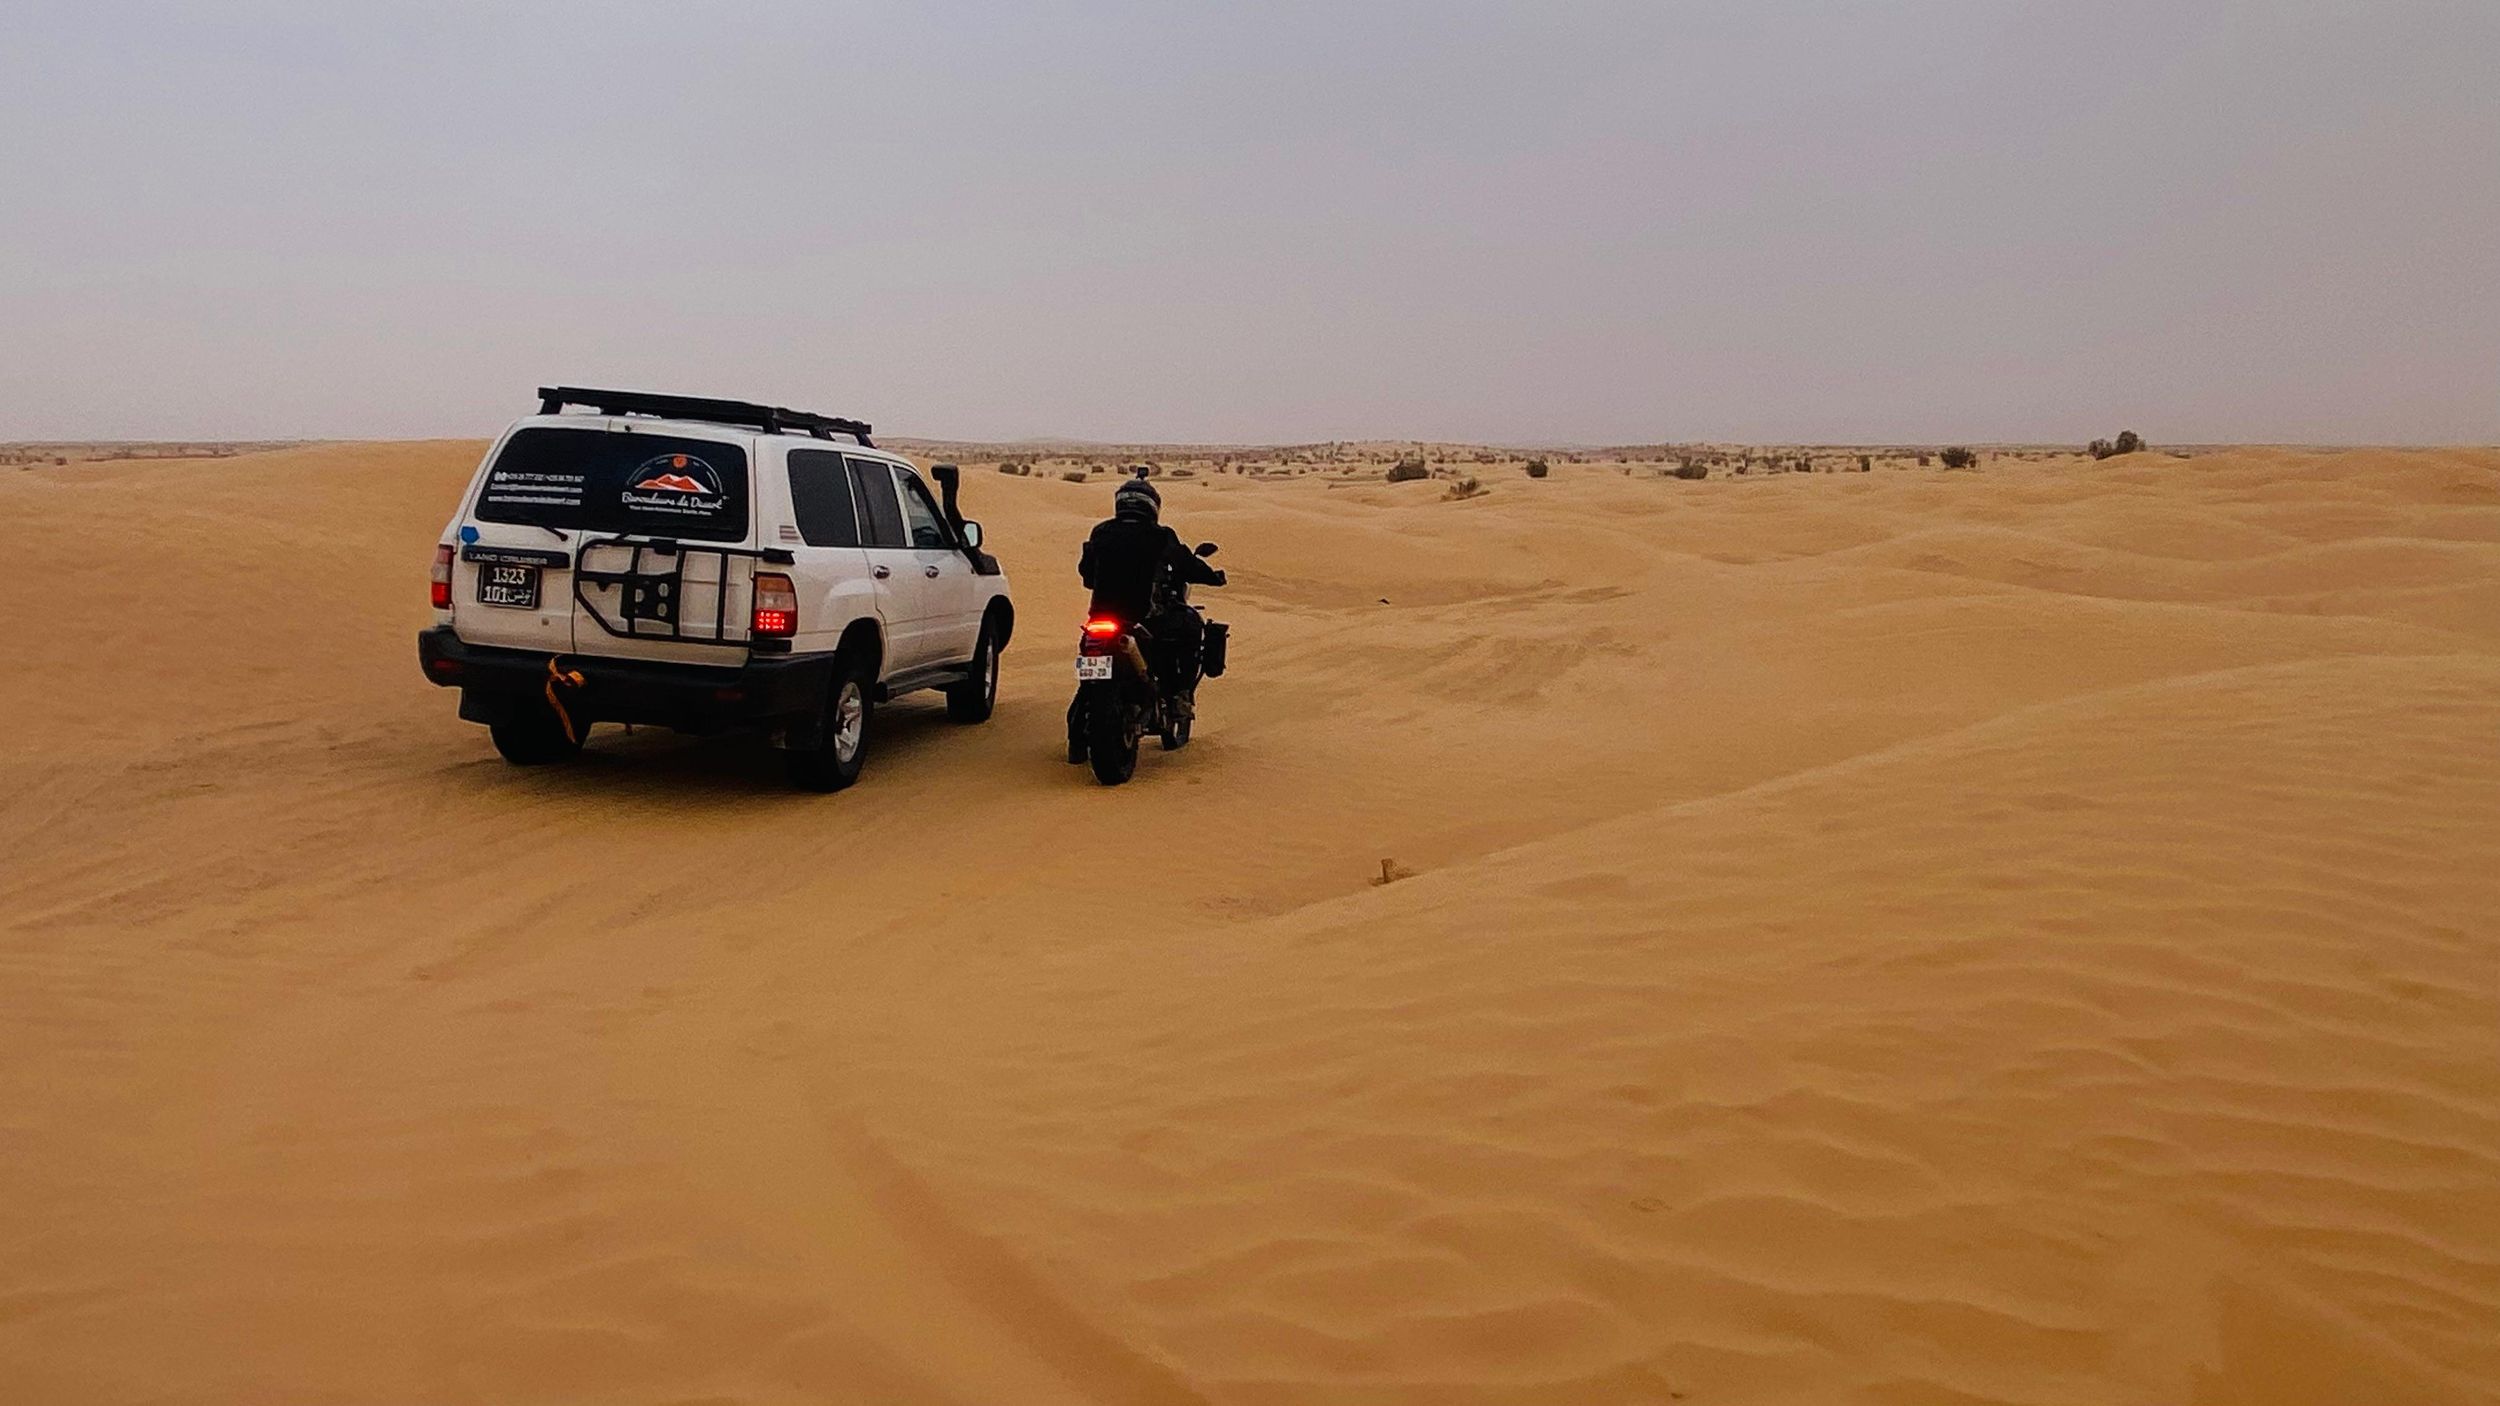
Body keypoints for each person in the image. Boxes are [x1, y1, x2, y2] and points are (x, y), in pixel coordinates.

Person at [1069, 472, 1225, 758]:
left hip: (1100, 620)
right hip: (1145, 620)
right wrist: (1213, 576)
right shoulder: (1160, 537)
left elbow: (1086, 574)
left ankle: (1078, 735)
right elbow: (1187, 564)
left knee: (1088, 676)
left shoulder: (1101, 532)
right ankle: (1179, 696)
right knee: (1191, 626)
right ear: (1152, 506)